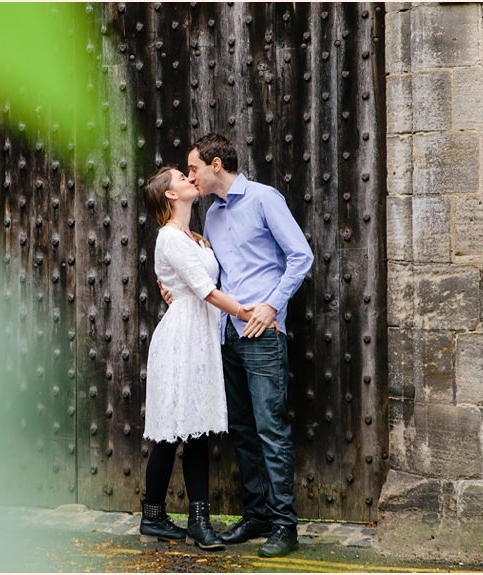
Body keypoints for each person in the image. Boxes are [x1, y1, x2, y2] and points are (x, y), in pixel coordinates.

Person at [167, 133, 314, 557]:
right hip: (227, 334)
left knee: (271, 428)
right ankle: (257, 515)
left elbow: (300, 256)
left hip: (263, 333)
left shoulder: (265, 198)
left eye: (193, 167)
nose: (190, 174)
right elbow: (209, 273)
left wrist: (271, 307)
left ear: (216, 164)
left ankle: (285, 526)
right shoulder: (211, 215)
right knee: (244, 431)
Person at [139, 167, 273, 551]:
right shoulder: (169, 238)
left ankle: (195, 520)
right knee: (174, 430)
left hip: (201, 336)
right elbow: (207, 292)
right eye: (181, 177)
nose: (188, 180)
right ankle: (157, 516)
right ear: (170, 195)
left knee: (195, 428)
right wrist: (253, 313)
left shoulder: (195, 238)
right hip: (182, 338)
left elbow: (201, 285)